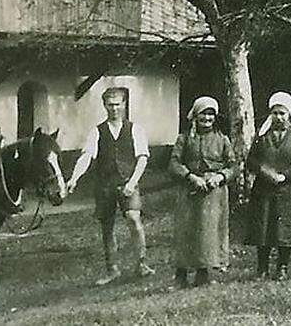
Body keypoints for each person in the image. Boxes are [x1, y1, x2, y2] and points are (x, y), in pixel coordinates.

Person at [67, 87, 155, 285]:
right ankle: (112, 269)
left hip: (128, 182)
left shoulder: (135, 129)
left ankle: (142, 263)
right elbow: (87, 156)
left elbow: (142, 158)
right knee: (107, 227)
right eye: (110, 104)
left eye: (118, 104)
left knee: (133, 218)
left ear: (124, 105)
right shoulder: (97, 131)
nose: (114, 108)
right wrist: (74, 178)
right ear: (104, 106)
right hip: (105, 185)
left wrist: (132, 182)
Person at [168, 96, 237, 288]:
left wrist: (220, 176)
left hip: (213, 192)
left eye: (210, 114)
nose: (207, 118)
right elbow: (174, 163)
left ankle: (203, 272)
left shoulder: (222, 140)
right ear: (195, 115)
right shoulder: (183, 139)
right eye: (203, 114)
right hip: (189, 189)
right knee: (186, 230)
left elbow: (233, 166)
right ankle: (181, 274)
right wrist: (191, 177)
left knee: (208, 232)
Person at [245, 91, 291, 280]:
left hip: (288, 190)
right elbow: (251, 160)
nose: (279, 117)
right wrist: (265, 172)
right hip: (264, 189)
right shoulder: (262, 135)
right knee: (263, 229)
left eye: (282, 113)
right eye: (275, 113)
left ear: (290, 114)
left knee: (285, 230)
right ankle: (262, 268)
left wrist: (284, 176)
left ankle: (282, 267)